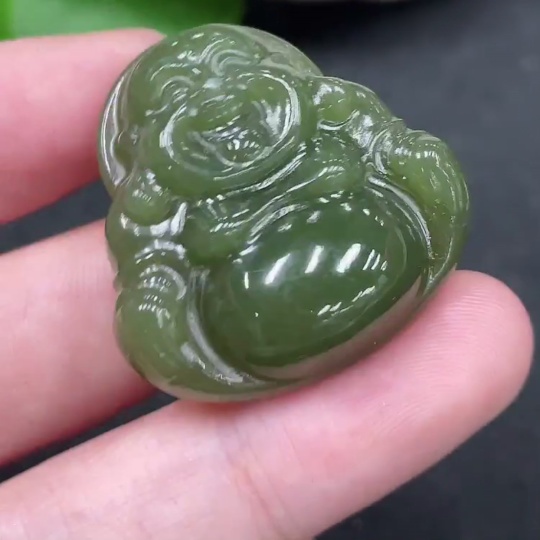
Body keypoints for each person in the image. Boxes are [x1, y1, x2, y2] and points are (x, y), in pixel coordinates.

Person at [0, 30, 533, 539]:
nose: (218, 102)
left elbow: (402, 157)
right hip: (246, 317)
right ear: (144, 143)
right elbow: (150, 282)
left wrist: (392, 149)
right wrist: (157, 292)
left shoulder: (329, 126)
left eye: (233, 70)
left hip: (384, 246)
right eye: (178, 94)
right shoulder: (162, 205)